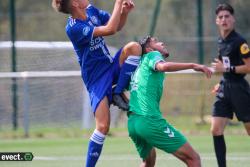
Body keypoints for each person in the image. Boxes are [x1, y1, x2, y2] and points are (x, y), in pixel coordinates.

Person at [52, 0, 141, 166]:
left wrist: (124, 13)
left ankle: (117, 91)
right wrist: (118, 3)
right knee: (102, 127)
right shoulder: (73, 28)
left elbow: (116, 25)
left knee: (134, 47)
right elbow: (110, 30)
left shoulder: (92, 10)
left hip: (110, 66)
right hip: (96, 80)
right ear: (75, 4)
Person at [128, 36, 212, 167]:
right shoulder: (152, 55)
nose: (162, 42)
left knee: (148, 162)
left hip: (133, 122)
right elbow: (163, 66)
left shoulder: (138, 67)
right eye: (156, 41)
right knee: (193, 159)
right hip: (149, 121)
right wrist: (193, 65)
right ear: (149, 49)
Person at [211, 3, 250, 167]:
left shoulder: (240, 41)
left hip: (239, 89)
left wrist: (226, 68)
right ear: (216, 21)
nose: (224, 19)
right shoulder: (221, 41)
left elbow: (248, 67)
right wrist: (220, 83)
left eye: (227, 16)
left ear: (233, 19)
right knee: (216, 130)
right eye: (221, 17)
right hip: (225, 88)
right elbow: (222, 65)